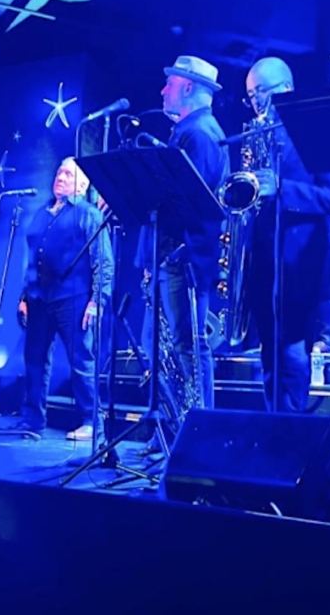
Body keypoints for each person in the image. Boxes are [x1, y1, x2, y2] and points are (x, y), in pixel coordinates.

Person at [241, 56, 330, 412]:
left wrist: (281, 189)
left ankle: (293, 427)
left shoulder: (318, 130)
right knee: (268, 350)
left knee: (291, 347)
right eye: (251, 96)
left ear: (286, 89)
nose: (256, 103)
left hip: (300, 261)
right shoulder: (256, 133)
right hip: (262, 257)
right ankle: (274, 425)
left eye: (262, 93)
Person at [142, 56, 230, 411]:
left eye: (171, 84)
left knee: (187, 346)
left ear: (189, 87)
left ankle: (193, 432)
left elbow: (194, 203)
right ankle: (174, 430)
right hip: (177, 256)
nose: (163, 90)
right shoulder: (191, 131)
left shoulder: (198, 133)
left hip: (184, 258)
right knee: (175, 346)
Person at [13, 158, 113, 440]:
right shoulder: (41, 214)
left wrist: (97, 300)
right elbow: (31, 261)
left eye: (68, 174)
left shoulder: (87, 214)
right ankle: (32, 421)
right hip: (39, 299)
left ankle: (92, 423)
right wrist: (24, 296)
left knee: (81, 361)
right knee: (34, 360)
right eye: (59, 172)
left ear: (82, 185)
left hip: (74, 298)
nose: (61, 177)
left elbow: (103, 260)